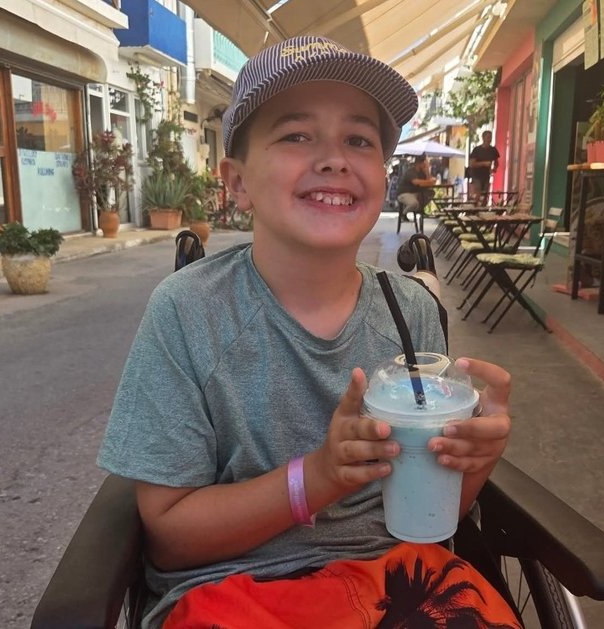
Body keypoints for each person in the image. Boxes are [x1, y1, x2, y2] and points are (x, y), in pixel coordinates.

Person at [98, 35, 517, 629]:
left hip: (398, 582)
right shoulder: (189, 313)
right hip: (234, 592)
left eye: (359, 139)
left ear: (382, 175)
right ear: (236, 182)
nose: (333, 159)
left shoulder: (411, 314)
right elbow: (169, 539)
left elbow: (432, 514)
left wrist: (475, 455)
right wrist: (316, 478)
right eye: (296, 135)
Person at [396, 154, 436, 222]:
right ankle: (403, 214)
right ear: (419, 163)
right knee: (414, 203)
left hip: (415, 193)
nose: (425, 165)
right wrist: (429, 182)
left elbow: (429, 183)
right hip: (404, 193)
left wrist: (427, 171)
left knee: (430, 193)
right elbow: (417, 182)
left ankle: (420, 209)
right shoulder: (411, 171)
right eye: (424, 163)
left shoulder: (422, 172)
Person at [469, 130, 500, 202]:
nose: (489, 139)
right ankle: (475, 209)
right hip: (476, 175)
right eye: (488, 137)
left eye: (491, 137)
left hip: (486, 175)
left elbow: (496, 162)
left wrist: (494, 168)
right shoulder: (477, 150)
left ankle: (483, 209)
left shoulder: (493, 150)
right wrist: (484, 163)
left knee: (485, 194)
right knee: (478, 193)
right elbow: (472, 164)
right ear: (483, 138)